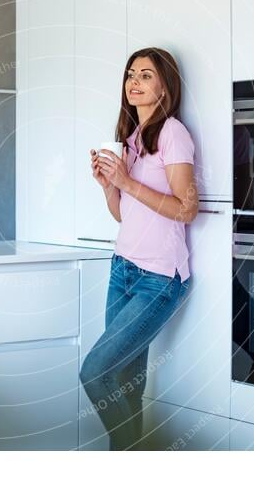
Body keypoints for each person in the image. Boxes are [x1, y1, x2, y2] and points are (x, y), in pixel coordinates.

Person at [79, 47, 199, 450]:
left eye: (146, 75)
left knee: (95, 373)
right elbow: (123, 215)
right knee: (124, 385)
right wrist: (109, 186)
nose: (134, 81)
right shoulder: (129, 139)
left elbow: (186, 209)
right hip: (123, 270)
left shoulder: (173, 133)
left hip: (160, 279)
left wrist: (128, 183)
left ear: (165, 86)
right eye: (131, 74)